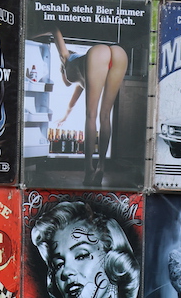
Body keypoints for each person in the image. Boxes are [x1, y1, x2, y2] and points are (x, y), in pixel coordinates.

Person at [52, 26, 128, 186]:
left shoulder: (65, 58)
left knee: (91, 115)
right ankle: (101, 166)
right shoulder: (83, 77)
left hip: (98, 54)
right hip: (119, 54)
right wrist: (65, 117)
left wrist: (31, 34)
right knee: (105, 115)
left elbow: (55, 29)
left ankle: (88, 169)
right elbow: (72, 103)